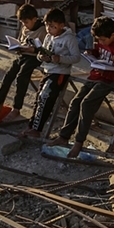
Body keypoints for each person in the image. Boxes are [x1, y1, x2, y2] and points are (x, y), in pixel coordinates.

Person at [47, 16, 114, 158]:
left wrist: (105, 72)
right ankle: (64, 136)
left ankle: (79, 142)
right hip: (96, 76)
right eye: (99, 40)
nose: (101, 42)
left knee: (87, 104)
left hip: (111, 80)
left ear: (113, 35)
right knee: (75, 102)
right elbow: (101, 53)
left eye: (103, 40)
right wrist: (92, 53)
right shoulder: (103, 39)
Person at [20, 8, 80, 138]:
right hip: (48, 70)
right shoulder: (48, 36)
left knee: (45, 98)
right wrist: (40, 57)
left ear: (61, 26)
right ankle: (32, 126)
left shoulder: (69, 38)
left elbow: (76, 57)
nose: (48, 29)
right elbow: (43, 52)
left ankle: (38, 129)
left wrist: (60, 59)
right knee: (39, 99)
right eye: (47, 25)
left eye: (52, 27)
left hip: (60, 73)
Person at [0, 4, 47, 124]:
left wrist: (33, 50)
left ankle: (17, 108)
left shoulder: (43, 30)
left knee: (21, 77)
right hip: (24, 54)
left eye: (26, 22)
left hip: (35, 57)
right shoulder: (24, 27)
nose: (24, 25)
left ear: (34, 19)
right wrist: (18, 47)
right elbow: (21, 41)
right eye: (22, 23)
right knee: (9, 75)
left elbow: (45, 49)